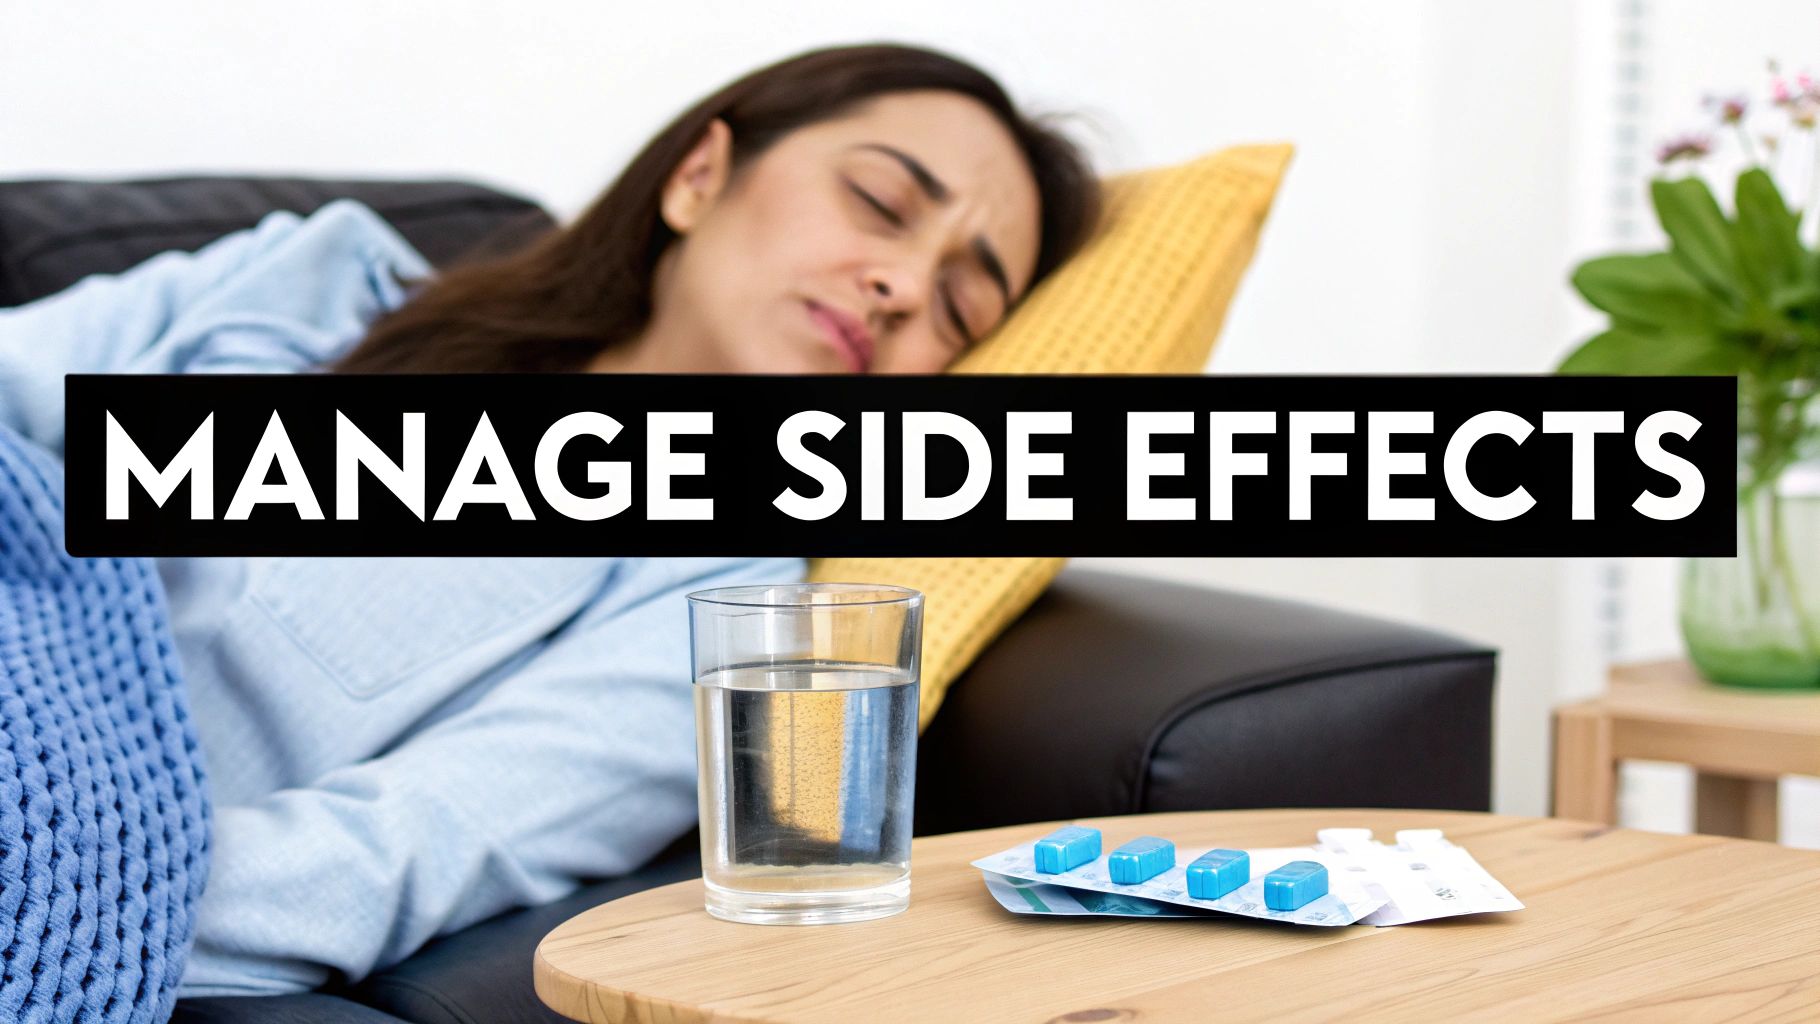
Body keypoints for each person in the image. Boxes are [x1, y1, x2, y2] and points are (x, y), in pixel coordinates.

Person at [0, 43, 1100, 995]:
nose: (902, 284)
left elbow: (396, 856)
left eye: (959, 305)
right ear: (699, 176)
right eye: (879, 204)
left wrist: (49, 890)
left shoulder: (716, 612)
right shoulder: (317, 284)